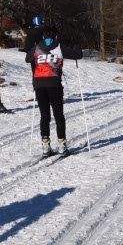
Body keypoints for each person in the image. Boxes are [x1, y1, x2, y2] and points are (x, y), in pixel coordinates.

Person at [26, 24, 82, 156]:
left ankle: (46, 146)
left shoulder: (37, 47)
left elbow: (27, 59)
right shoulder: (59, 47)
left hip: (39, 85)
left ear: (43, 36)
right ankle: (62, 144)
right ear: (55, 36)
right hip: (54, 85)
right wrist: (76, 44)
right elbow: (78, 54)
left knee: (44, 116)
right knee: (58, 115)